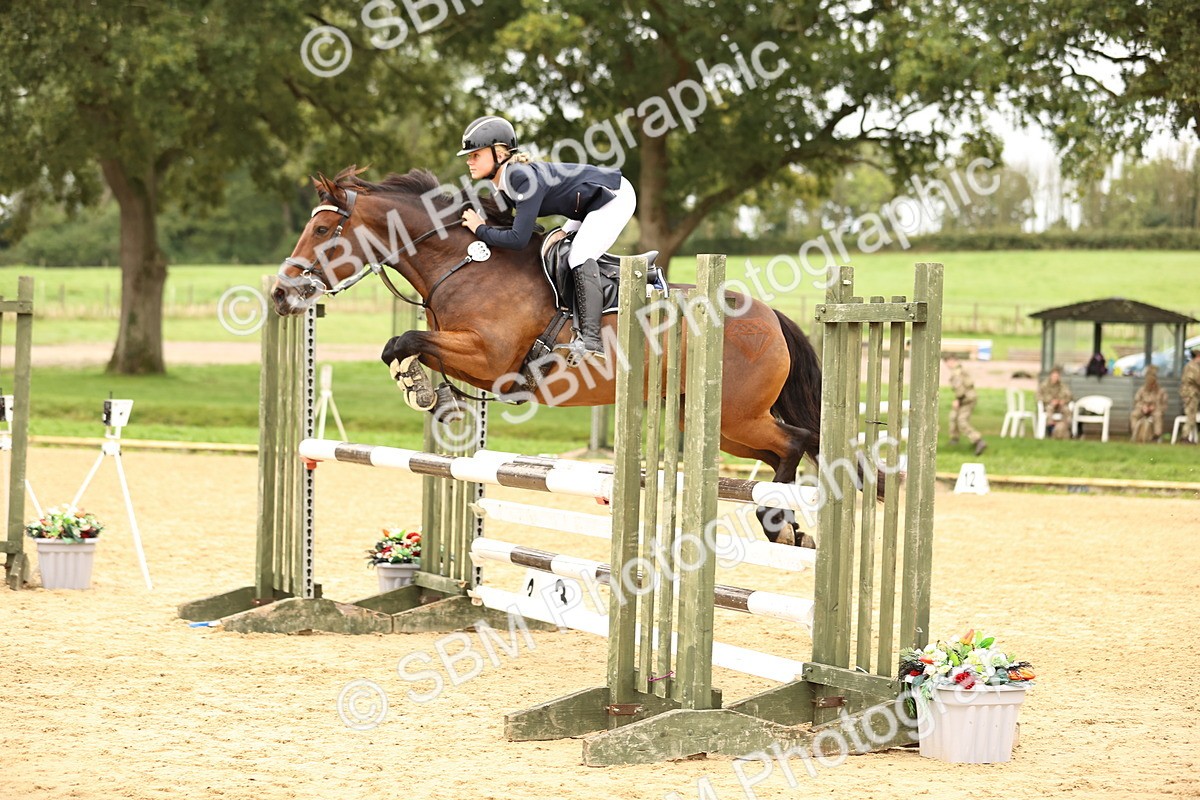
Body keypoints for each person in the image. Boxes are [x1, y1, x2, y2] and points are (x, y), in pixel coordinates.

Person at [457, 115, 636, 363]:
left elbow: (518, 239)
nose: (469, 161)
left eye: (475, 155)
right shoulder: (505, 183)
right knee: (561, 249)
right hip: (586, 205)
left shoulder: (519, 177)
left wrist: (479, 230)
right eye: (469, 156)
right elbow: (500, 222)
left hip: (613, 197)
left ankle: (592, 341)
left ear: (499, 154)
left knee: (578, 256)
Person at [945, 354, 987, 455]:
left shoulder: (956, 372)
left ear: (952, 360)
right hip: (967, 398)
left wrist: (958, 400)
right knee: (953, 417)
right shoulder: (960, 370)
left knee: (962, 421)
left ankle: (978, 440)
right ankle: (954, 440)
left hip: (966, 399)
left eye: (947, 361)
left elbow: (960, 389)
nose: (946, 364)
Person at [1130, 365, 1168, 443]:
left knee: (1158, 415)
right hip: (1143, 409)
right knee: (1134, 414)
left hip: (1155, 410)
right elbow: (1136, 401)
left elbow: (1164, 405)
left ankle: (1156, 436)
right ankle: (1136, 434)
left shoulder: (1161, 391)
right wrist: (1142, 407)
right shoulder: (1142, 390)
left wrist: (1154, 407)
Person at [1037, 366, 1073, 439]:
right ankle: (1050, 428)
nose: (1055, 378)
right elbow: (1039, 396)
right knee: (1049, 409)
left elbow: (1069, 395)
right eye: (1054, 376)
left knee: (1066, 410)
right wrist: (1050, 400)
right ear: (1050, 376)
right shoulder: (1044, 385)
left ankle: (1066, 429)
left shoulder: (1062, 386)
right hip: (1049, 405)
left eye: (1057, 376)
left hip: (1060, 405)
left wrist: (1063, 401)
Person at [1180, 349, 1200, 444]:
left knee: (1191, 414)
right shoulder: (1194, 367)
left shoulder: (1189, 366)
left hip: (1188, 393)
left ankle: (1186, 436)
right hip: (1191, 394)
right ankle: (1185, 436)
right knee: (1191, 414)